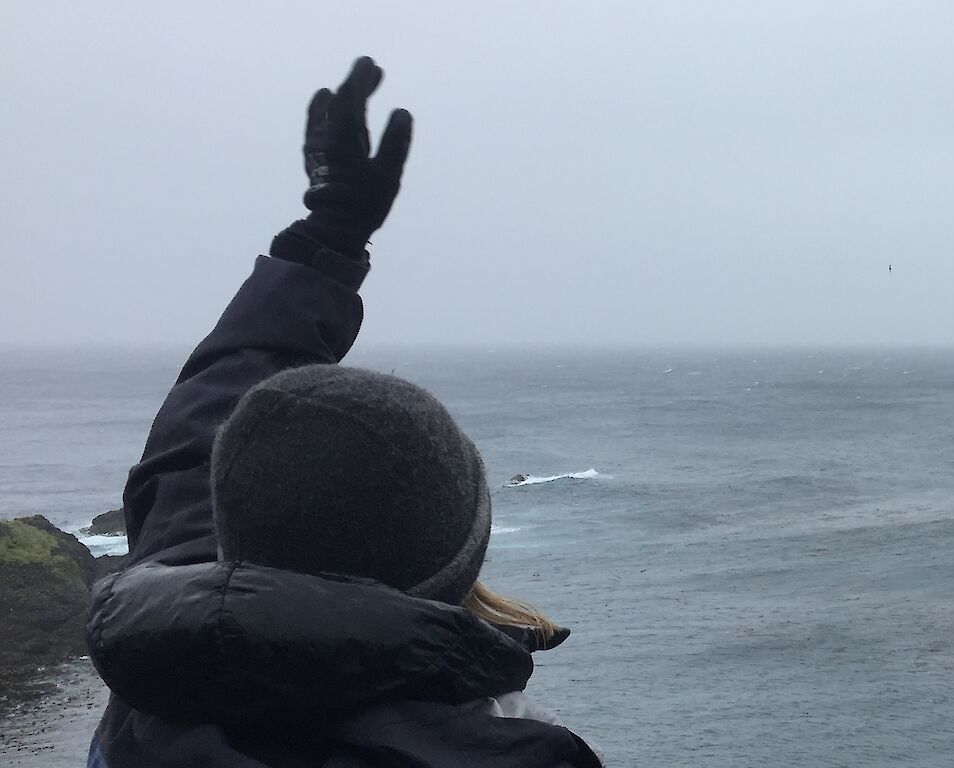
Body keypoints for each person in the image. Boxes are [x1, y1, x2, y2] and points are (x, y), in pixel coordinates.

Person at [84, 58, 602, 767]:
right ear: (454, 569)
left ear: (228, 516)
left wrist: (328, 234)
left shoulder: (160, 661)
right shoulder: (513, 751)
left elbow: (214, 400)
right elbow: (206, 423)